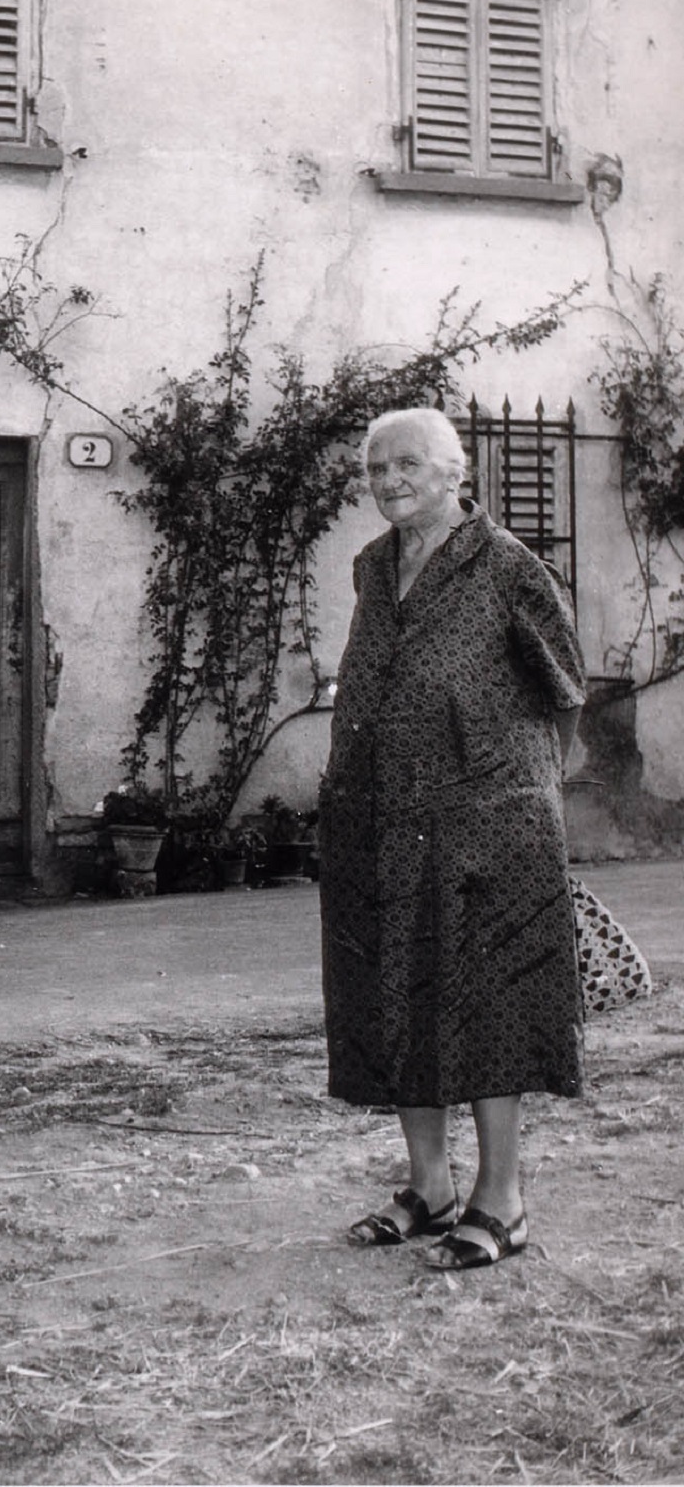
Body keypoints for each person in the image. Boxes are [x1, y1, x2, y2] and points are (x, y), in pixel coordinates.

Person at [317, 407, 585, 1271]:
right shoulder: (372, 567)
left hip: (485, 825)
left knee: (487, 1003)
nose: (390, 481)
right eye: (377, 469)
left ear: (453, 472)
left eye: (408, 466)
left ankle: (500, 1201)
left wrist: (521, 789)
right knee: (396, 991)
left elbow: (566, 691)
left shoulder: (508, 568)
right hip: (377, 820)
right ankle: (428, 1186)